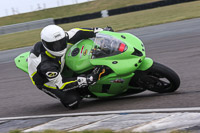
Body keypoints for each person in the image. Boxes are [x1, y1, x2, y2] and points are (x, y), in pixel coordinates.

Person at [28, 25, 105, 109]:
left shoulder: (61, 37)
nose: (59, 46)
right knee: (73, 101)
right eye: (55, 45)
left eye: (61, 42)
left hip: (58, 63)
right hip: (47, 80)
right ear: (46, 44)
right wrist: (86, 79)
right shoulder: (46, 66)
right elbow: (61, 84)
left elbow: (77, 32)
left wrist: (99, 31)